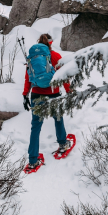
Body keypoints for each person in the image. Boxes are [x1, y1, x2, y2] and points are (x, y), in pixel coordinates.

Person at [23, 33, 71, 171]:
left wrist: (25, 95)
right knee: (58, 118)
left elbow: (28, 77)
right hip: (53, 94)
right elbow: (64, 76)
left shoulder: (33, 57)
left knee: (35, 127)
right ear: (51, 42)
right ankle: (62, 144)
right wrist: (69, 92)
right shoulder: (55, 56)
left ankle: (33, 160)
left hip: (36, 95)